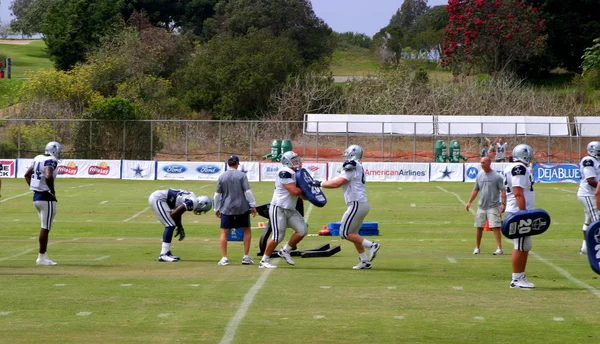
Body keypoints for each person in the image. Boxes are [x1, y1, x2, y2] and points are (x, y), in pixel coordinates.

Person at [309, 144, 380, 270]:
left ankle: (371, 245)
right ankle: (364, 261)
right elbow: (338, 180)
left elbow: (338, 183)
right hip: (361, 204)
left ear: (352, 153)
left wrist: (319, 183)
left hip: (356, 203)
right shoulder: (357, 165)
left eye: (347, 153)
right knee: (354, 233)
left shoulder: (351, 164)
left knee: (345, 233)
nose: (345, 155)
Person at [258, 151, 307, 269]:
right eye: (294, 160)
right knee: (278, 236)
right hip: (278, 208)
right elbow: (294, 191)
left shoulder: (295, 172)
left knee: (302, 230)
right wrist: (307, 189)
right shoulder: (284, 172)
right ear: (287, 161)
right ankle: (264, 260)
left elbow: (303, 196)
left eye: (297, 159)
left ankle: (285, 250)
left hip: (290, 209)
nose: (297, 161)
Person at [214, 155, 258, 266]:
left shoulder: (222, 176)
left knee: (224, 232)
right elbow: (248, 192)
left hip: (227, 208)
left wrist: (216, 208)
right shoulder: (242, 175)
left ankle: (224, 258)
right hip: (242, 207)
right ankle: (246, 256)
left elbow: (217, 195)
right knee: (246, 230)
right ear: (237, 164)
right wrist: (253, 205)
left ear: (228, 163)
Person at [24, 141, 62, 266]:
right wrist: (52, 191)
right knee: (45, 228)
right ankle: (42, 258)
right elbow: (48, 175)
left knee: (44, 226)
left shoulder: (37, 158)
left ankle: (43, 256)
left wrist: (35, 187)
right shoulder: (51, 160)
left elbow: (27, 174)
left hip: (37, 197)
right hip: (46, 197)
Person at [503, 144, 536, 289]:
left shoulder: (513, 167)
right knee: (520, 245)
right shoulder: (519, 168)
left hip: (518, 210)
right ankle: (516, 279)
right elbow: (517, 192)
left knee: (525, 245)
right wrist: (523, 213)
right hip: (518, 211)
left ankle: (521, 276)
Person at [148, 188, 212, 262]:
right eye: (203, 210)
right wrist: (178, 225)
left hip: (159, 198)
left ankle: (167, 252)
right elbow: (175, 214)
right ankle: (163, 254)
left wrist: (180, 227)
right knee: (170, 225)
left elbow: (178, 212)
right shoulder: (193, 202)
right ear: (202, 204)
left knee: (171, 224)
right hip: (158, 199)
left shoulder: (192, 197)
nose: (201, 212)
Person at [465, 157, 506, 255]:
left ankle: (499, 248)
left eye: (483, 162)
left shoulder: (497, 176)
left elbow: (503, 190)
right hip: (481, 206)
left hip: (493, 206)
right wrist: (469, 202)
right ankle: (477, 248)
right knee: (479, 227)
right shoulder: (479, 176)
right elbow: (475, 189)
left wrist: (503, 204)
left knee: (496, 227)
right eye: (481, 163)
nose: (481, 164)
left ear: (489, 163)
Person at [577, 141, 600, 254]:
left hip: (592, 193)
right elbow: (590, 180)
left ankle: (585, 248)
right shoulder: (588, 160)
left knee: (589, 220)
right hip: (588, 194)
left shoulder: (595, 161)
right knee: (597, 220)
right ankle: (595, 249)